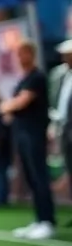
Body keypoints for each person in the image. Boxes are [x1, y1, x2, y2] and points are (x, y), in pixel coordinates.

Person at [0, 40, 56, 239]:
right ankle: (39, 219)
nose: (20, 58)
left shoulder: (36, 77)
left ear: (31, 54)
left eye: (23, 53)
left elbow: (20, 102)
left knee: (39, 177)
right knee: (31, 178)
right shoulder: (23, 79)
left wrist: (8, 106)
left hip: (34, 133)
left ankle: (48, 221)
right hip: (22, 133)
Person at [51, 38, 72, 218]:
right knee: (69, 168)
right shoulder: (62, 76)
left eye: (68, 55)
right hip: (65, 130)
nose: (65, 58)